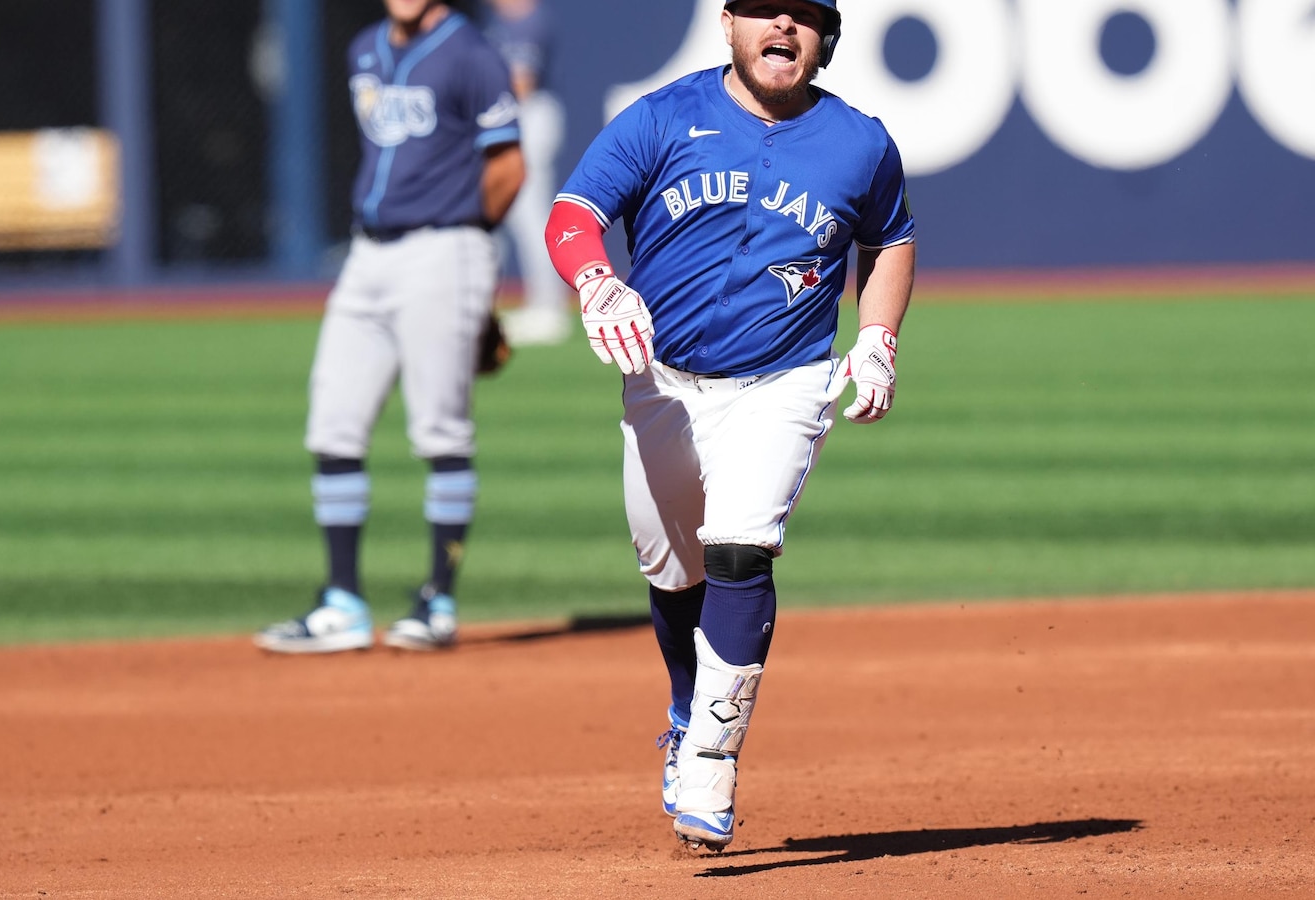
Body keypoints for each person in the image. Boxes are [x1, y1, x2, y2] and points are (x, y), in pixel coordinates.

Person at [544, 0, 915, 851]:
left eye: (804, 15)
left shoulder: (860, 141)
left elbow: (890, 239)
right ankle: (685, 711)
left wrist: (878, 339)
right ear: (728, 23)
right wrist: (597, 282)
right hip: (661, 382)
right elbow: (573, 214)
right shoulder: (662, 116)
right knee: (674, 573)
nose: (782, 25)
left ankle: (711, 756)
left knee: (741, 547)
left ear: (826, 38)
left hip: (786, 381)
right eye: (763, 9)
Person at [255, 0, 524, 654]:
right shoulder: (365, 49)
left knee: (440, 430)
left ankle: (437, 599)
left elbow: (508, 167)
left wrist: (473, 267)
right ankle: (342, 601)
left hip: (446, 247)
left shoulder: (472, 55)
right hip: (367, 254)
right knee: (333, 422)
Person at [483, 0, 571, 346]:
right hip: (510, 118)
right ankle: (497, 304)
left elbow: (523, 83)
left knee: (529, 215)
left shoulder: (530, 21)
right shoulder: (497, 21)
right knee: (503, 215)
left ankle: (549, 307)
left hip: (529, 117)